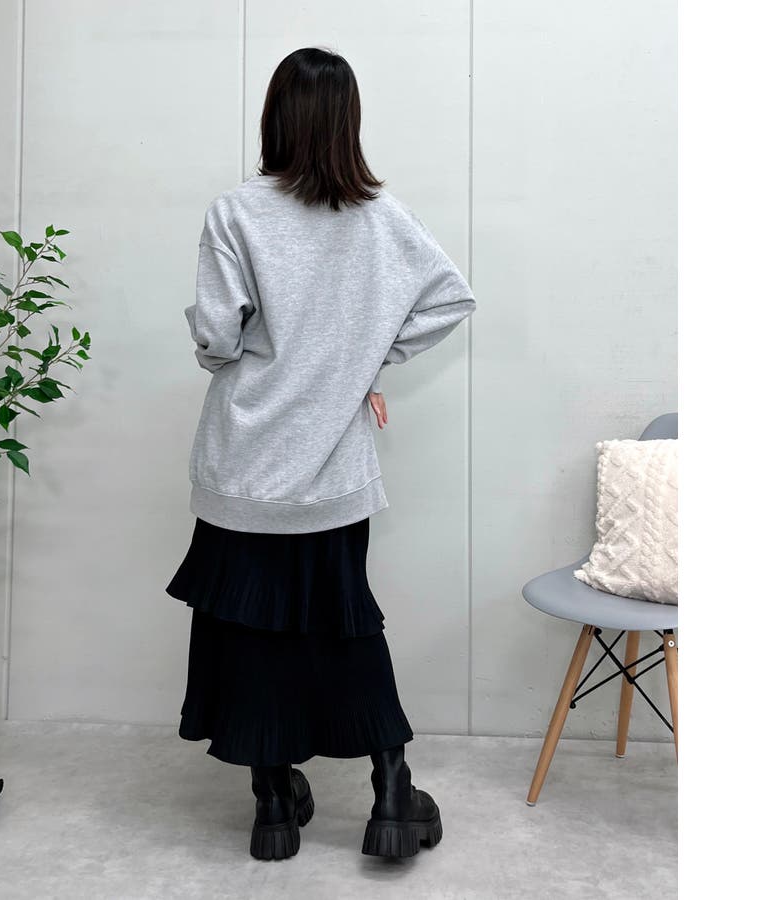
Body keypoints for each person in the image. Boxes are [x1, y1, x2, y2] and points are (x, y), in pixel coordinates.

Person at [166, 46, 476, 862]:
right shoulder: (381, 217)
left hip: (244, 468)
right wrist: (362, 365)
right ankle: (392, 794)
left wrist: (238, 344)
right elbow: (451, 297)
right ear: (348, 122)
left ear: (275, 117)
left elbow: (217, 337)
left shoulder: (236, 212)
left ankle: (273, 806)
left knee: (249, 631)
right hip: (333, 468)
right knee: (344, 625)